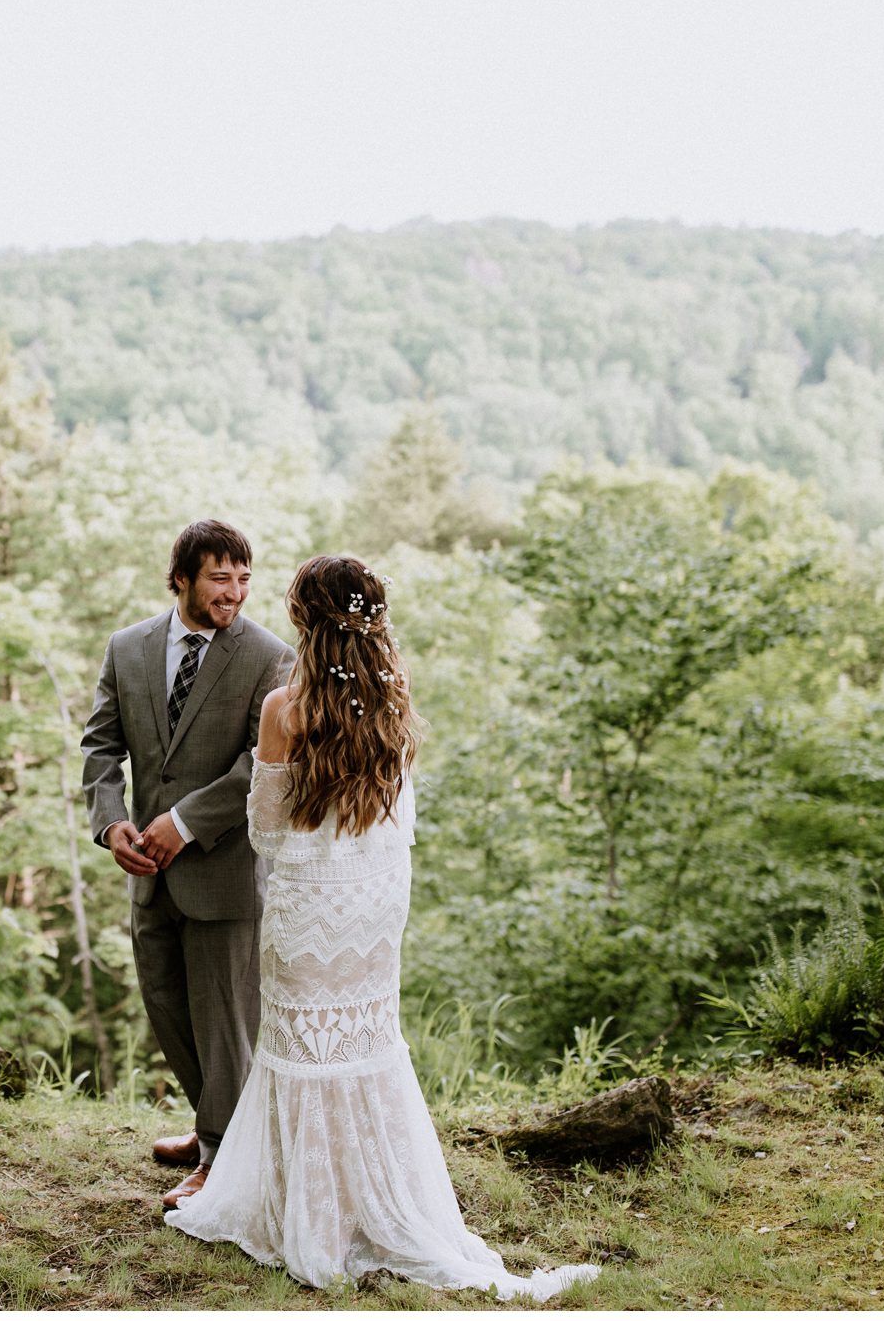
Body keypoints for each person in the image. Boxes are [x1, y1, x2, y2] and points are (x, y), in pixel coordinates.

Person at [163, 555, 601, 1299]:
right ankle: (371, 1200)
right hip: (371, 910)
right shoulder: (392, 699)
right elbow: (397, 819)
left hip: (306, 909)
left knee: (301, 1049)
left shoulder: (285, 709)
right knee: (363, 1048)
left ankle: (309, 1211)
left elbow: (268, 834)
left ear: (306, 620)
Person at [81, 519, 296, 1209]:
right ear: (180, 578)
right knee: (166, 1004)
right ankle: (218, 1125)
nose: (233, 592)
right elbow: (100, 747)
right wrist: (113, 822)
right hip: (146, 871)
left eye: (243, 579)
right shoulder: (127, 649)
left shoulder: (269, 658)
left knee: (224, 1018)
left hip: (225, 870)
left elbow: (261, 766)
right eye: (218, 578)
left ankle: (221, 1156)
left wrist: (183, 822)